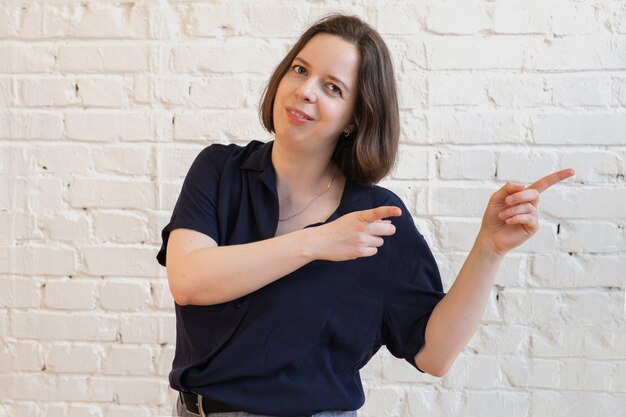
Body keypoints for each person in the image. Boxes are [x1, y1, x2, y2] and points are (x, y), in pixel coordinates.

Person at [157, 14, 574, 417]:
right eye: (300, 70)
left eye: (333, 88)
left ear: (354, 119)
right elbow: (189, 280)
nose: (306, 90)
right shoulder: (219, 170)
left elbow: (436, 354)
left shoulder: (376, 219)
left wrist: (489, 249)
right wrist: (317, 241)